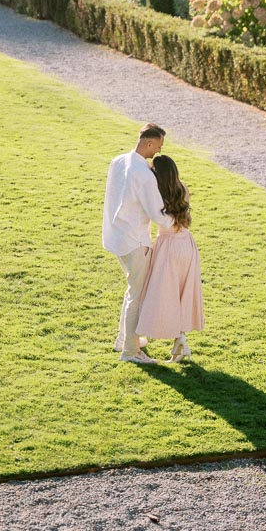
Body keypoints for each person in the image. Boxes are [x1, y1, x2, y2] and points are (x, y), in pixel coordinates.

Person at [102, 123, 169, 364]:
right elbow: (157, 214)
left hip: (116, 237)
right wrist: (177, 222)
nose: (158, 152)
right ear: (148, 143)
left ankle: (125, 339)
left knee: (132, 291)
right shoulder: (144, 175)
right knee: (137, 295)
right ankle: (130, 351)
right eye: (158, 146)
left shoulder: (118, 161)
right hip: (135, 242)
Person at [137, 155, 204, 363]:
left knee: (165, 295)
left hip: (168, 247)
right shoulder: (182, 188)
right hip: (187, 245)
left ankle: (140, 338)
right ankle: (180, 339)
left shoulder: (158, 194)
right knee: (182, 293)